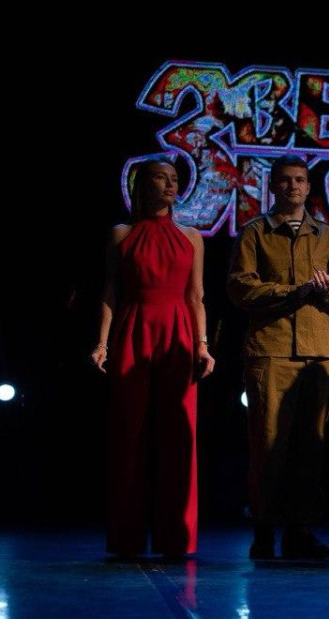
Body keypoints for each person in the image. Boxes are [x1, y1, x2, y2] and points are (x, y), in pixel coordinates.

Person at [91, 158, 215, 559]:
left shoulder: (191, 237)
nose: (170, 185)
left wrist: (202, 345)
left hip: (178, 334)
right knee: (129, 435)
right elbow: (110, 291)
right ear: (142, 184)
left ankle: (176, 538)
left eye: (174, 179)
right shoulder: (121, 234)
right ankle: (126, 539)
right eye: (161, 178)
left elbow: (196, 296)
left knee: (178, 436)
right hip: (133, 330)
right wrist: (102, 343)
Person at [227, 154, 329, 559]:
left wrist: (324, 291)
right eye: (284, 180)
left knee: (311, 445)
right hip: (271, 349)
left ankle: (300, 530)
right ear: (273, 185)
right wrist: (295, 291)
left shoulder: (326, 235)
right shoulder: (255, 232)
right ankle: (264, 530)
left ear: (308, 187)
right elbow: (241, 288)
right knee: (268, 445)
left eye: (299, 180)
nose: (292, 186)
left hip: (317, 351)